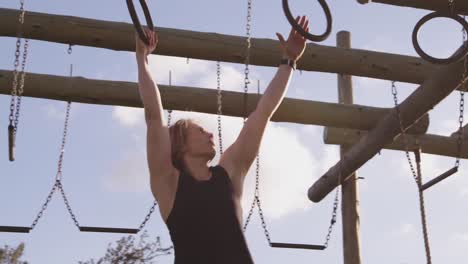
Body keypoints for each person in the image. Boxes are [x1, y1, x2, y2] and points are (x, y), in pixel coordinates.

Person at [135, 15, 309, 264]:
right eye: (200, 131)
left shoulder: (229, 173)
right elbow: (153, 117)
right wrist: (142, 59)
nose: (210, 134)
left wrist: (289, 61)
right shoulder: (167, 182)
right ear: (180, 144)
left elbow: (263, 113)